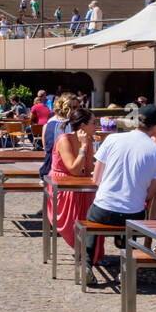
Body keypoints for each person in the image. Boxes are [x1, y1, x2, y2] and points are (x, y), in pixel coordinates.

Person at [87, 105, 156, 238]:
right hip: (134, 213)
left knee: (92, 221)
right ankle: (126, 247)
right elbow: (150, 193)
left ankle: (90, 250)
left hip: (103, 209)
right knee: (133, 221)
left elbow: (96, 180)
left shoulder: (112, 138)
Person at [50, 108, 104, 262]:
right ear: (82, 125)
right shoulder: (64, 140)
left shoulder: (89, 140)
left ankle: (91, 252)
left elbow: (89, 169)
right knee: (79, 202)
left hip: (80, 183)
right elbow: (74, 170)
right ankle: (83, 248)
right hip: (62, 185)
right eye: (93, 123)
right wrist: (83, 147)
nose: (96, 126)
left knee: (96, 206)